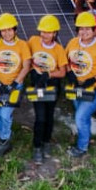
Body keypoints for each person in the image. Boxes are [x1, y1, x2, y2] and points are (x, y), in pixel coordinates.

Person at [64, 12, 96, 157]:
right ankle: (84, 133)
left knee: (80, 117)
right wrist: (70, 73)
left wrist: (94, 79)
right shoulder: (73, 43)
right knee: (81, 116)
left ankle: (82, 147)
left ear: (93, 30)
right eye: (81, 29)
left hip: (95, 90)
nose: (84, 32)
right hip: (77, 88)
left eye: (87, 29)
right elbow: (65, 60)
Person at [0, 13, 31, 157]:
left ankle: (4, 139)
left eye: (10, 29)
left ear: (15, 30)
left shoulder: (22, 45)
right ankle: (4, 134)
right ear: (0, 32)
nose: (7, 33)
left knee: (5, 114)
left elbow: (26, 66)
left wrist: (15, 83)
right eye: (3, 30)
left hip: (14, 86)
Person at [27, 15, 68, 163]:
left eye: (49, 32)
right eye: (43, 32)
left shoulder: (58, 49)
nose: (45, 35)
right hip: (37, 85)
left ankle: (46, 142)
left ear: (55, 33)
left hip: (52, 86)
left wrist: (49, 74)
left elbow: (63, 72)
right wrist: (34, 70)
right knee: (40, 117)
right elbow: (26, 57)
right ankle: (37, 146)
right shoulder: (32, 41)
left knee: (49, 117)